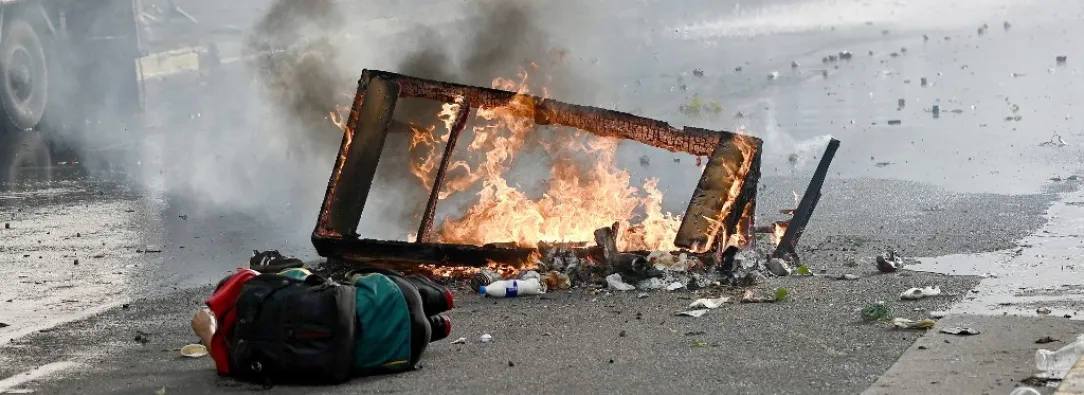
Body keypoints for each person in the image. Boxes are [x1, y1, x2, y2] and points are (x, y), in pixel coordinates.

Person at [190, 252, 454, 385]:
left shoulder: (244, 357)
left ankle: (438, 327)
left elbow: (225, 363)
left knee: (392, 326)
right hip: (398, 297)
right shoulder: (279, 288)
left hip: (403, 352)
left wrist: (209, 333)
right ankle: (442, 297)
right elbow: (311, 279)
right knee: (356, 285)